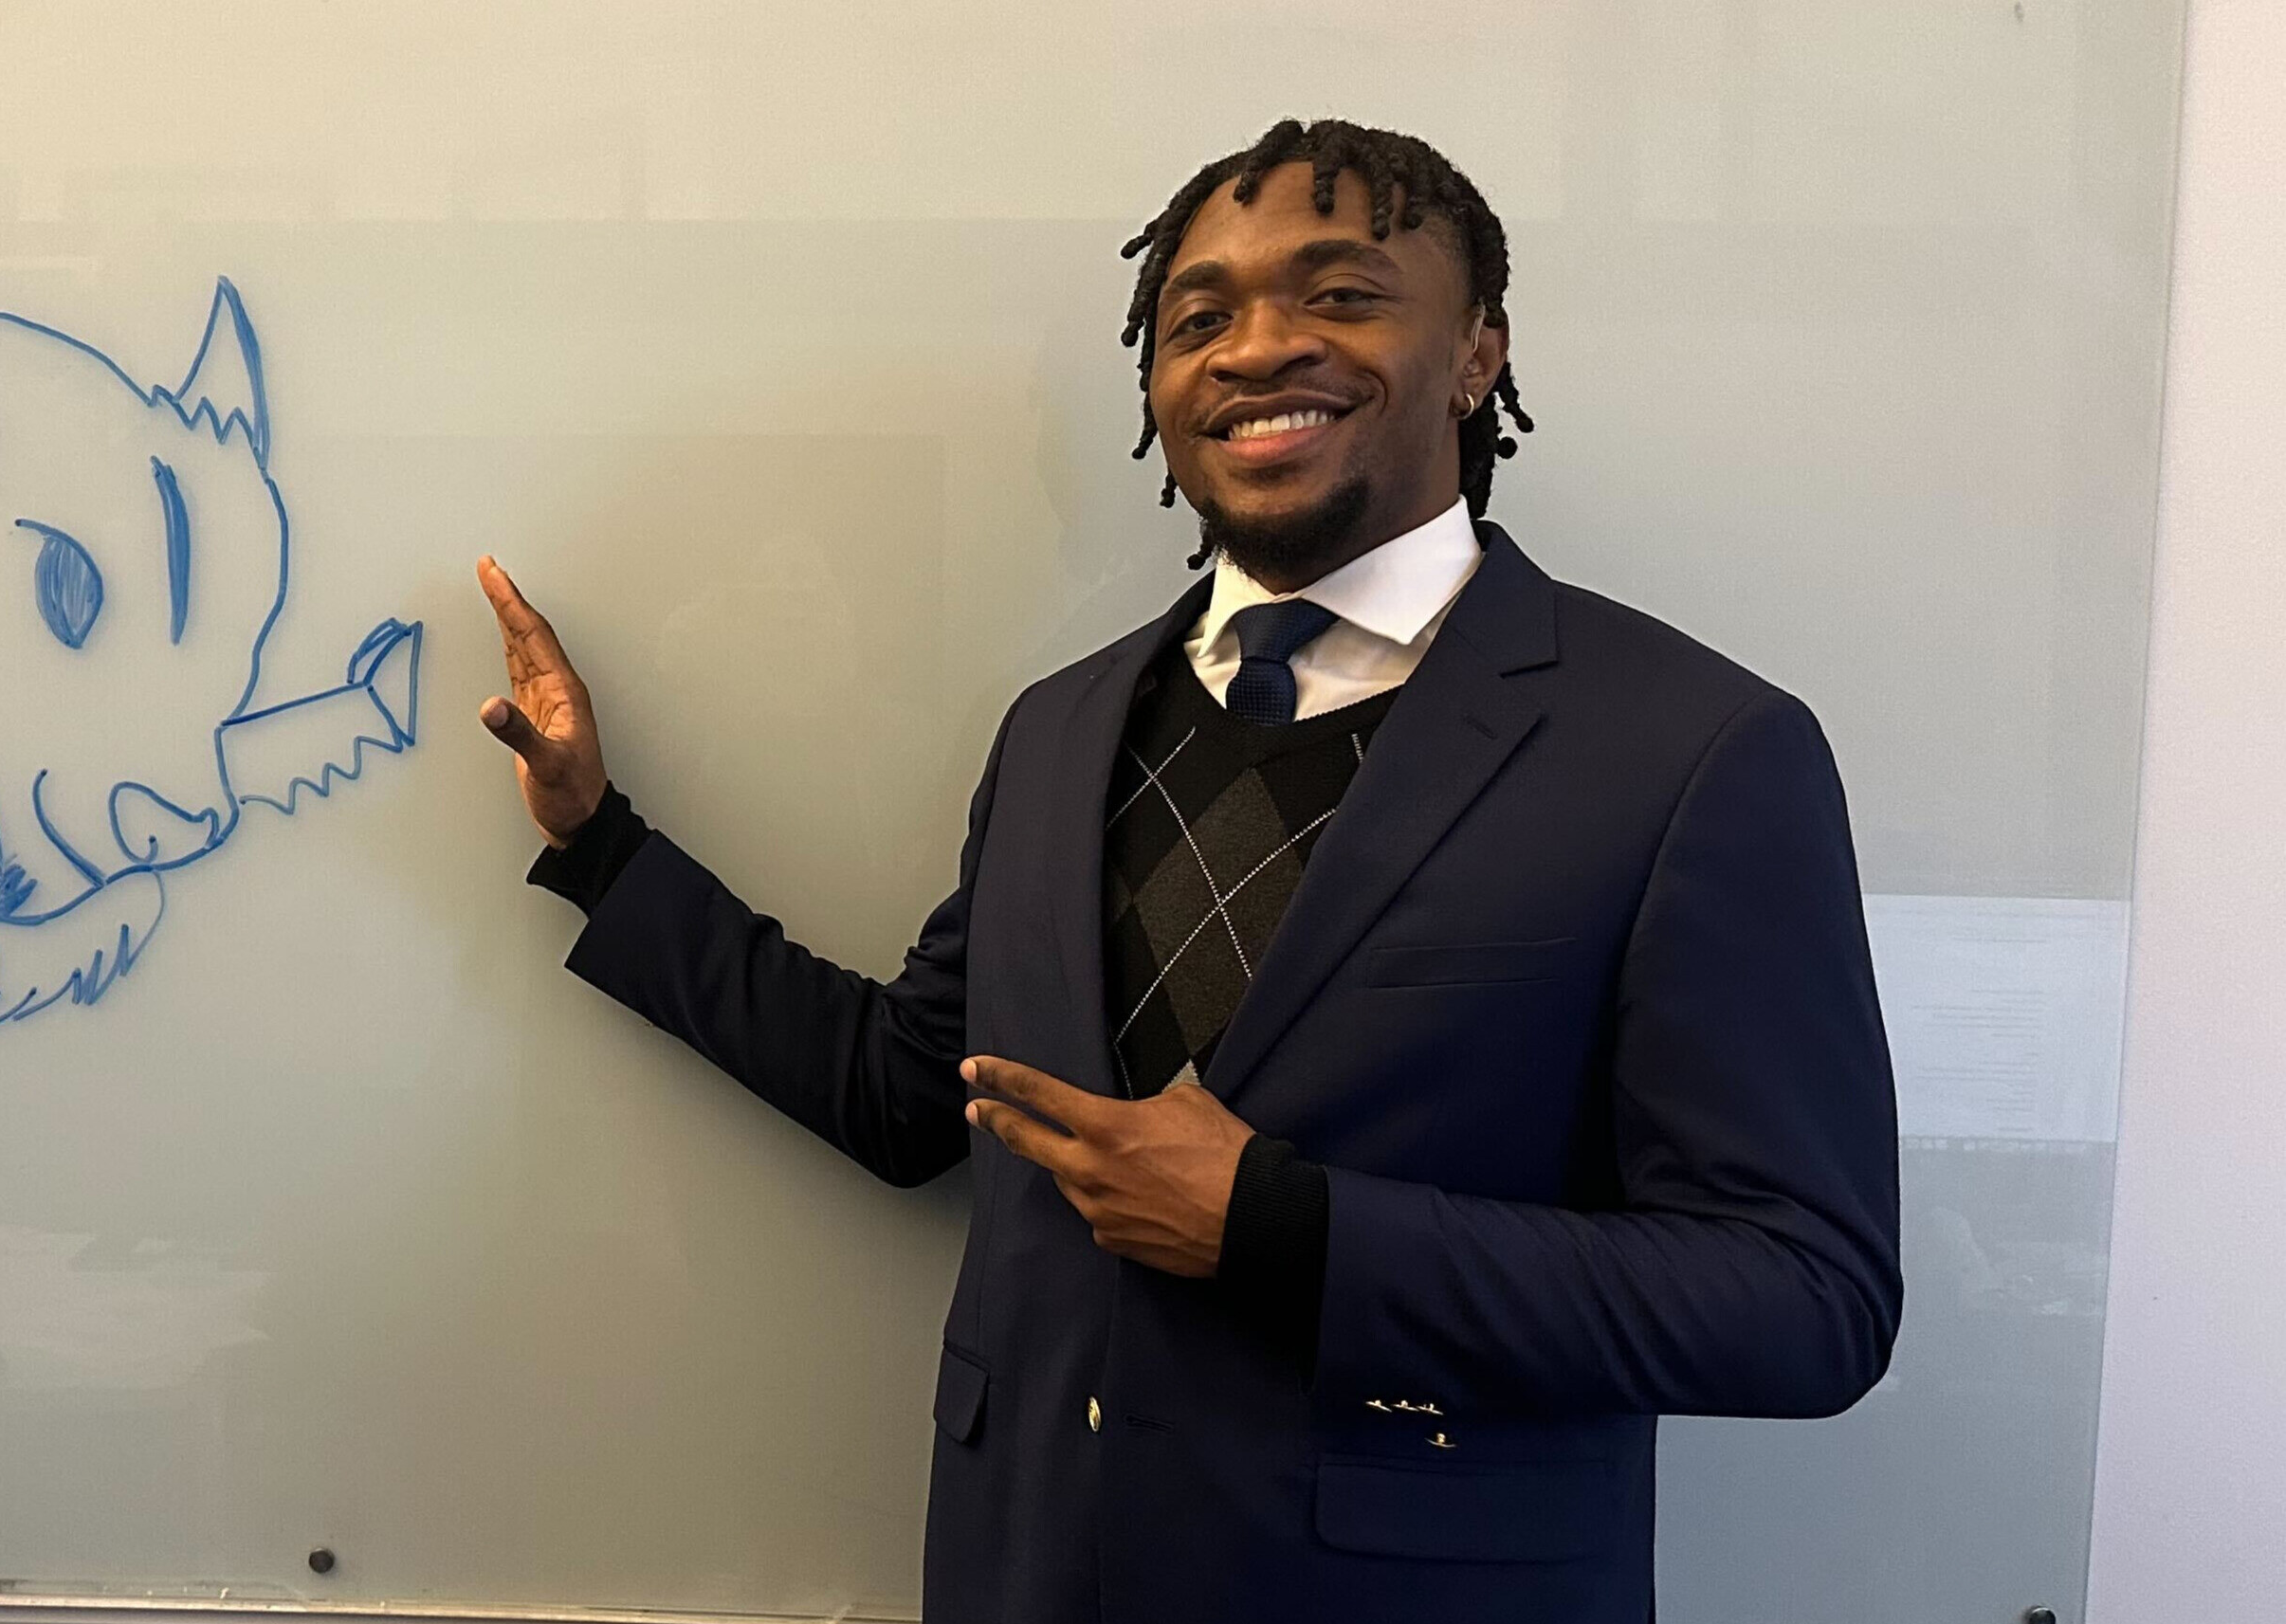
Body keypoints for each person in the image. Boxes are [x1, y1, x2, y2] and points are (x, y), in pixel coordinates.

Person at [476, 117, 1900, 1624]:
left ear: (1478, 350)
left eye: (1340, 294)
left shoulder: (1689, 749)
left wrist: (1289, 1230)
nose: (1253, 347)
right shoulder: (1063, 726)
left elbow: (1800, 1300)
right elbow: (911, 1096)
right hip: (1026, 1574)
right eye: (1197, 316)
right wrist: (600, 842)